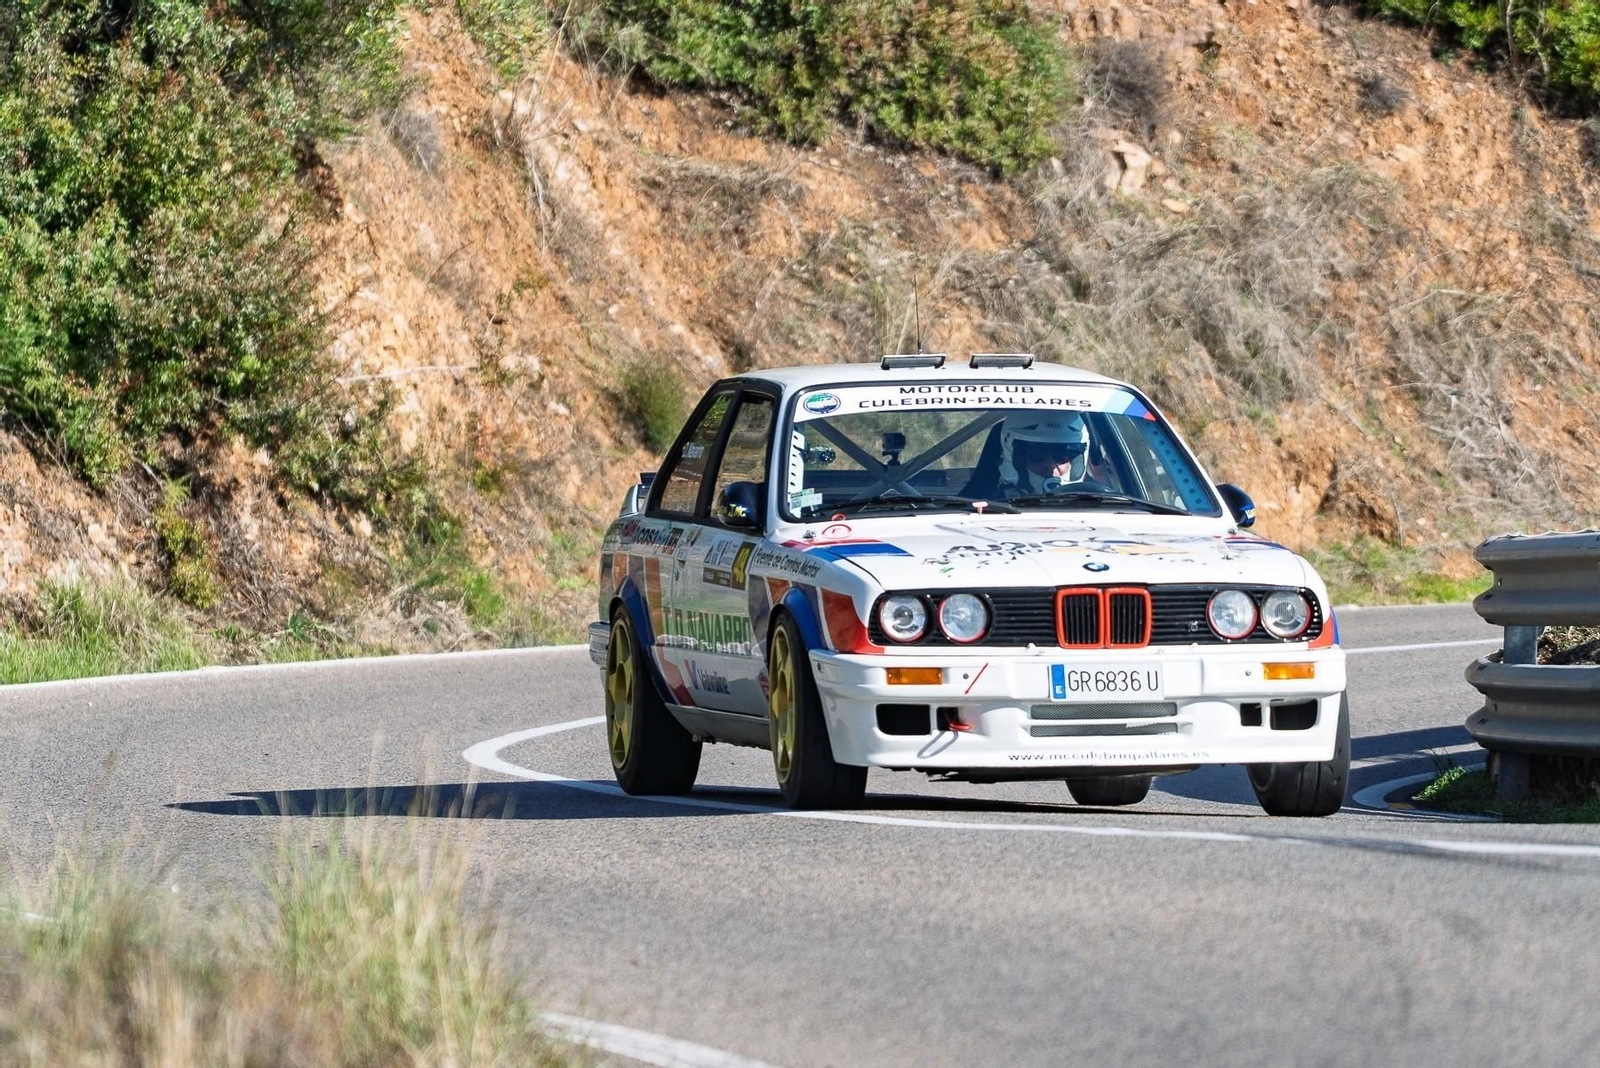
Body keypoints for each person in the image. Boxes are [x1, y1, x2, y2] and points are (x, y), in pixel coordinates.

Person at [962, 411, 1108, 499]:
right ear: (1015, 457)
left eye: (1062, 454)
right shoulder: (981, 510)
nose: (1050, 465)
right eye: (1037, 453)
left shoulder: (1106, 507)